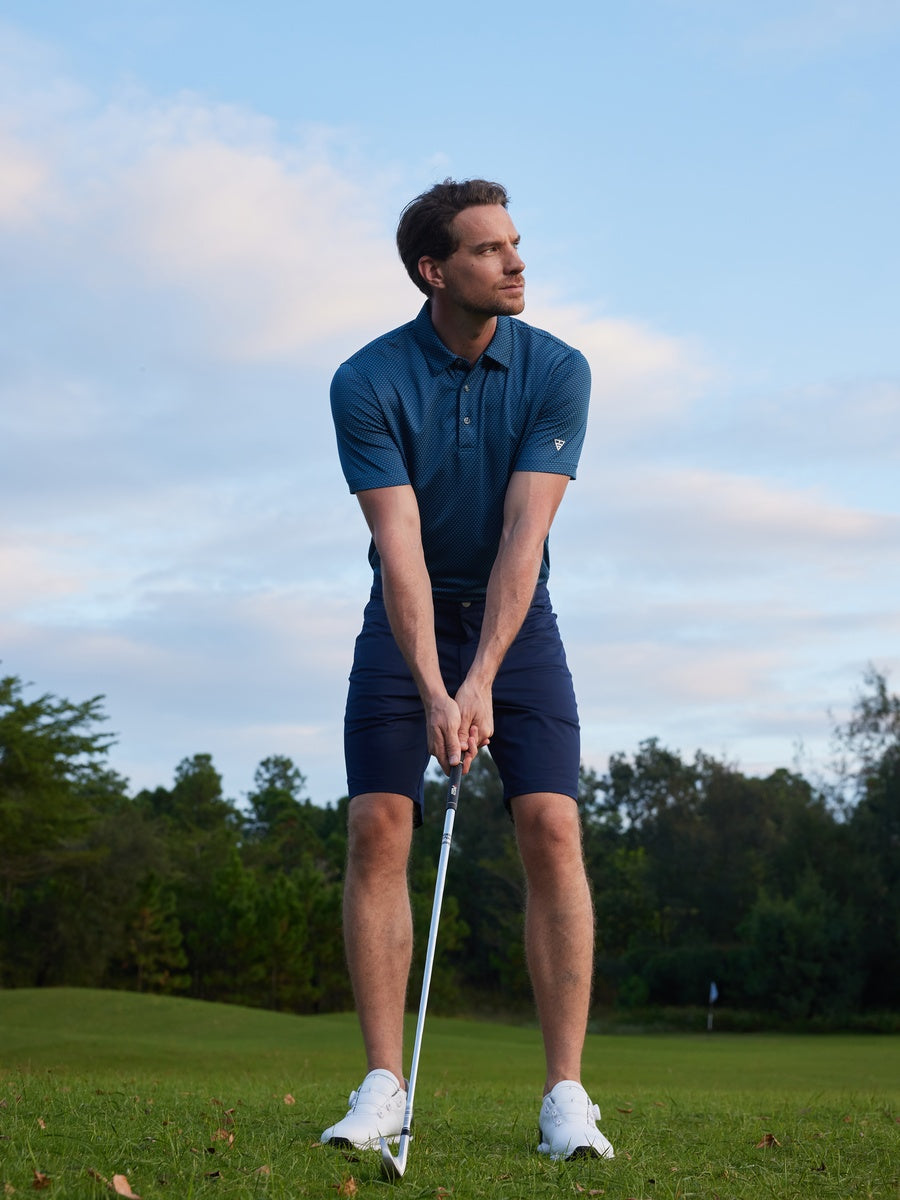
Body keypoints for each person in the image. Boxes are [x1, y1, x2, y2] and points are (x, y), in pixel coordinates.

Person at [321, 178, 613, 1162]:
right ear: (433, 271)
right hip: (405, 620)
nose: (516, 262)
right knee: (377, 823)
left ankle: (566, 1098)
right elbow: (398, 549)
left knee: (552, 825)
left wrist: (480, 677)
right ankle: (382, 1087)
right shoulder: (366, 380)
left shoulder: (557, 369)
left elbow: (524, 536)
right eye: (488, 250)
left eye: (515, 243)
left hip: (516, 623)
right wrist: (435, 687)